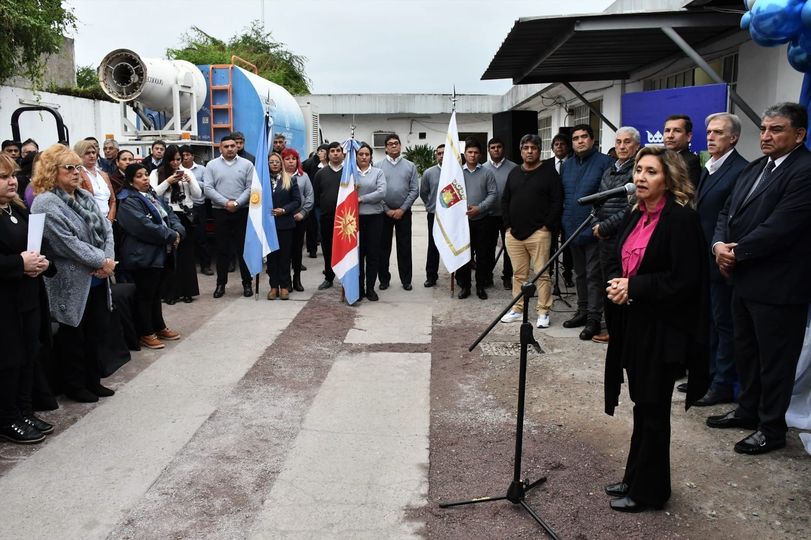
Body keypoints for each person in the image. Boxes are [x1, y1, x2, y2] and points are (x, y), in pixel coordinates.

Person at [603, 146, 709, 513]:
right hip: (635, 324)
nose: (641, 178)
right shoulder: (636, 214)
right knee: (642, 406)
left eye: (651, 172)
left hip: (664, 331)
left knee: (653, 410)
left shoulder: (681, 220)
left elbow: (686, 281)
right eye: (638, 171)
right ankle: (635, 476)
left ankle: (651, 491)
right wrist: (620, 285)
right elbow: (625, 262)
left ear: (669, 179)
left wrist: (636, 288)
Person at [707, 102, 811, 455]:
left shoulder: (805, 170)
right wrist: (719, 244)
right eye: (764, 129)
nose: (766, 136)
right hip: (743, 279)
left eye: (776, 129)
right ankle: (748, 410)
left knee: (775, 363)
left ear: (799, 134)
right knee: (746, 352)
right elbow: (726, 212)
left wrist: (735, 252)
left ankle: (771, 428)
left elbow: (781, 226)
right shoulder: (755, 167)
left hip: (779, 286)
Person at [30, 144, 117, 403]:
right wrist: (103, 260)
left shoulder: (84, 196)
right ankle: (75, 386)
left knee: (96, 333)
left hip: (99, 278)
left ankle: (93, 380)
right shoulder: (45, 203)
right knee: (73, 338)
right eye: (70, 168)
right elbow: (66, 244)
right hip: (72, 281)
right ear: (51, 171)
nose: (77, 172)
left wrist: (108, 260)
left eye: (78, 167)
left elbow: (106, 228)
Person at [691, 112, 748, 406]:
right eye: (709, 132)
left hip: (722, 261)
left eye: (718, 133)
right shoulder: (709, 167)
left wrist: (719, 249)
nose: (710, 137)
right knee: (708, 322)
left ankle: (722, 383)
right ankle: (708, 376)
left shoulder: (740, 170)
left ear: (734, 138)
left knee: (723, 325)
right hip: (703, 259)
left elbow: (729, 217)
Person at [0, 153, 55, 444]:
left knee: (28, 356)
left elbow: (41, 243)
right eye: (3, 177)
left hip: (29, 297)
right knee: (8, 361)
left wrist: (45, 262)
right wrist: (18, 264)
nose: (12, 181)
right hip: (5, 303)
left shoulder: (18, 209)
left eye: (12, 175)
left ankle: (23, 410)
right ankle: (7, 418)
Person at [116, 163, 184, 350]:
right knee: (145, 295)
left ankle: (159, 326)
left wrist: (178, 231)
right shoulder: (127, 200)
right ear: (130, 180)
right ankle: (146, 332)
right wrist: (171, 236)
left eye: (146, 174)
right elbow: (143, 226)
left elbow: (170, 216)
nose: (145, 178)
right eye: (139, 176)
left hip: (160, 253)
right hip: (142, 256)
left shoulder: (152, 195)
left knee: (156, 294)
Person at [500, 134, 562, 327]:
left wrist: (546, 226)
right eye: (526, 148)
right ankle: (517, 309)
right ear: (521, 151)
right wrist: (508, 227)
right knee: (518, 275)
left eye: (533, 148)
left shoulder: (550, 173)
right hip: (514, 234)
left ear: (539, 150)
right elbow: (505, 200)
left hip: (539, 233)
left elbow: (557, 202)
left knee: (542, 274)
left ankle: (543, 311)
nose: (529, 151)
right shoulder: (514, 173)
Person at [560, 124, 612, 340]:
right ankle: (581, 311)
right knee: (579, 273)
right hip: (571, 228)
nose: (580, 141)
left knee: (593, 276)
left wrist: (600, 224)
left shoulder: (604, 162)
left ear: (592, 140)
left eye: (584, 137)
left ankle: (593, 318)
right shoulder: (567, 165)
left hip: (593, 229)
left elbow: (607, 198)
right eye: (575, 138)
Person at [591, 127, 640, 344]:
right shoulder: (609, 169)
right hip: (604, 238)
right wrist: (595, 224)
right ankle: (613, 330)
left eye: (627, 142)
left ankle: (623, 333)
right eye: (618, 142)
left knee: (622, 287)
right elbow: (598, 201)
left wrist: (605, 227)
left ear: (636, 146)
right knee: (608, 285)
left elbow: (631, 208)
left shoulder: (637, 171)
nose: (621, 146)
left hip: (623, 238)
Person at [204, 135, 254, 298]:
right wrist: (226, 203)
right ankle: (220, 284)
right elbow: (208, 189)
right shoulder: (211, 165)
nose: (230, 148)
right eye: (226, 146)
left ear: (237, 147)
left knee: (243, 250)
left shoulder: (247, 164)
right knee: (222, 250)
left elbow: (250, 187)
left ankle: (247, 283)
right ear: (220, 148)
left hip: (242, 211)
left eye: (233, 146)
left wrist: (237, 203)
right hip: (220, 211)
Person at [150, 144, 201, 304]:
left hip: (185, 215)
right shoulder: (156, 173)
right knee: (170, 255)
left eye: (178, 159)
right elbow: (152, 194)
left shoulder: (187, 172)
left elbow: (198, 194)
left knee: (186, 255)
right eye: (172, 159)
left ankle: (188, 291)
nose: (175, 163)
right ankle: (170, 293)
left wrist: (189, 181)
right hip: (167, 216)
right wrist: (168, 181)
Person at [455, 138, 497, 300]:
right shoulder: (457, 173)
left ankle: (480, 286)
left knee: (483, 255)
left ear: (480, 155)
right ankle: (465, 286)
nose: (472, 155)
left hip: (483, 220)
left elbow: (493, 194)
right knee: (464, 255)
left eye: (476, 153)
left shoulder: (487, 173)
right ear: (464, 154)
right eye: (469, 152)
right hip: (463, 221)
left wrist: (479, 208)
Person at [376, 133, 419, 291]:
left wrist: (402, 209)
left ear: (400, 146)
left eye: (396, 143)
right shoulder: (378, 166)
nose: (394, 146)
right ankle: (384, 280)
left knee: (404, 247)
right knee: (383, 248)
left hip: (404, 213)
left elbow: (414, 190)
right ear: (386, 148)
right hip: (383, 213)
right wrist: (387, 210)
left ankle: (406, 280)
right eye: (390, 144)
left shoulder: (410, 166)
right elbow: (376, 190)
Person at [483, 137, 518, 290]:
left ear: (504, 149)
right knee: (487, 248)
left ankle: (507, 277)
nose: (496, 150)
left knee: (509, 248)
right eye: (493, 147)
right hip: (488, 215)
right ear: (488, 150)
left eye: (499, 147)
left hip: (508, 215)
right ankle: (487, 276)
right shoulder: (482, 168)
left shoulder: (515, 168)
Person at [265, 152, 301, 300]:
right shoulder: (262, 180)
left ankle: (284, 286)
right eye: (271, 162)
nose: (274, 164)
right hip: (268, 224)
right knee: (272, 257)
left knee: (285, 256)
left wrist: (284, 210)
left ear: (281, 164)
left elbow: (297, 201)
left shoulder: (290, 179)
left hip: (285, 223)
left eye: (277, 162)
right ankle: (273, 287)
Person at [355, 142, 387, 301]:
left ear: (371, 157)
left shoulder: (378, 172)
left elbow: (381, 193)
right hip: (356, 219)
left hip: (375, 218)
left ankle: (370, 288)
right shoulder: (350, 173)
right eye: (361, 154)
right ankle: (359, 288)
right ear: (356, 156)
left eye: (367, 154)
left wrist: (361, 199)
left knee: (373, 254)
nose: (364, 157)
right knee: (358, 255)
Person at [281, 147, 313, 292]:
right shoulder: (278, 177)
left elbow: (310, 196)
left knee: (297, 250)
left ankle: (297, 279)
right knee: (285, 251)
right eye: (287, 159)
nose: (291, 162)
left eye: (293, 159)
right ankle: (286, 280)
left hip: (299, 218)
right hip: (283, 219)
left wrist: (303, 213)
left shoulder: (303, 176)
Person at [313, 142, 344, 290]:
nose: (336, 153)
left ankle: (346, 277)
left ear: (343, 153)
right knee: (327, 248)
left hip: (345, 219)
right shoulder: (321, 174)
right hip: (326, 217)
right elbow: (316, 196)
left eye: (338, 150)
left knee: (345, 248)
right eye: (332, 151)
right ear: (328, 154)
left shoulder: (349, 172)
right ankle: (329, 277)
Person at [180, 145, 213, 276]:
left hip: (199, 207)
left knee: (202, 237)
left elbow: (208, 187)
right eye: (183, 155)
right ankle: (187, 268)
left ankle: (206, 265)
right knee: (185, 238)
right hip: (182, 208)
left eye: (188, 155)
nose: (185, 158)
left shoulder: (202, 169)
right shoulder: (177, 170)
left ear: (193, 156)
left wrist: (192, 180)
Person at [548, 133, 574, 288]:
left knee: (567, 245)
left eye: (562, 144)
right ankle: (548, 272)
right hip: (551, 212)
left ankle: (568, 273)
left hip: (568, 211)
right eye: (556, 144)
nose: (559, 147)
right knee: (549, 245)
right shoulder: (546, 165)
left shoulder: (573, 163)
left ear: (568, 147)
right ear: (552, 147)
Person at [419, 144, 444, 287]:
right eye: (439, 153)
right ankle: (431, 275)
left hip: (452, 216)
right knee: (433, 245)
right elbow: (424, 192)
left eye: (444, 153)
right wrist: (430, 205)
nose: (441, 156)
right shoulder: (429, 173)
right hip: (434, 214)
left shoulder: (457, 171)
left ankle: (459, 276)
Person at [75, 139, 116, 221]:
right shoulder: (77, 174)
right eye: (87, 153)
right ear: (78, 155)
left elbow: (113, 200)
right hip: (89, 222)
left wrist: (109, 220)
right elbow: (78, 202)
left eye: (93, 152)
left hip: (107, 221)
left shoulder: (103, 174)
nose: (92, 155)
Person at [302, 144, 328, 258]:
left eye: (324, 151)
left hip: (326, 201)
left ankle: (326, 249)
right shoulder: (311, 163)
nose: (321, 153)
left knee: (324, 227)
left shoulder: (332, 165)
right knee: (312, 226)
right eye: (320, 150)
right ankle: (312, 249)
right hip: (313, 200)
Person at [663, 114, 701, 187]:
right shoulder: (658, 159)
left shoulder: (691, 162)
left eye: (677, 131)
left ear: (688, 136)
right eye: (667, 130)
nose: (670, 135)